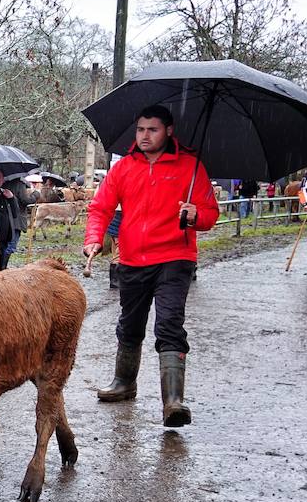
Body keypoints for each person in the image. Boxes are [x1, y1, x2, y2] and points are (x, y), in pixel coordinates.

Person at [83, 104, 218, 428]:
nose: (144, 135)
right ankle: (124, 382)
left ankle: (173, 402)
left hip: (175, 258)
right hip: (132, 259)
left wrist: (194, 215)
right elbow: (101, 207)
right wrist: (94, 238)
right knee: (130, 325)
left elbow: (210, 214)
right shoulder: (124, 168)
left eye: (152, 130)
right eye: (140, 129)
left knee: (169, 325)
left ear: (168, 131)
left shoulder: (191, 167)